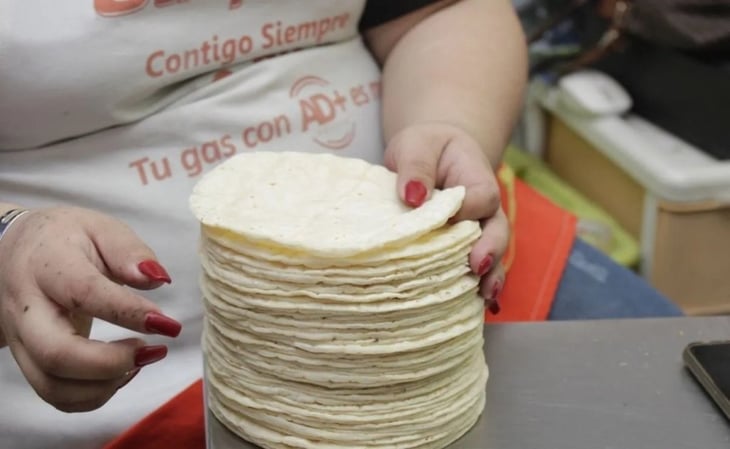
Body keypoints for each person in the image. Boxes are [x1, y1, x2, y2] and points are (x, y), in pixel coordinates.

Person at [0, 1, 681, 448]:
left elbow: (439, 13)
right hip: (127, 351)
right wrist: (9, 240)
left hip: (444, 265)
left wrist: (447, 130)